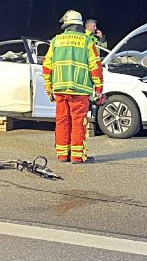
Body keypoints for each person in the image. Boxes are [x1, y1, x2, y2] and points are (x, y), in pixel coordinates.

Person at [42, 10, 103, 162]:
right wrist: (99, 89)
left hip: (60, 89)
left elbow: (47, 65)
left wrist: (49, 88)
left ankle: (62, 155)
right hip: (80, 90)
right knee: (78, 121)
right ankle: (77, 156)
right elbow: (96, 67)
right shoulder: (87, 42)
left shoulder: (56, 41)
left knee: (62, 120)